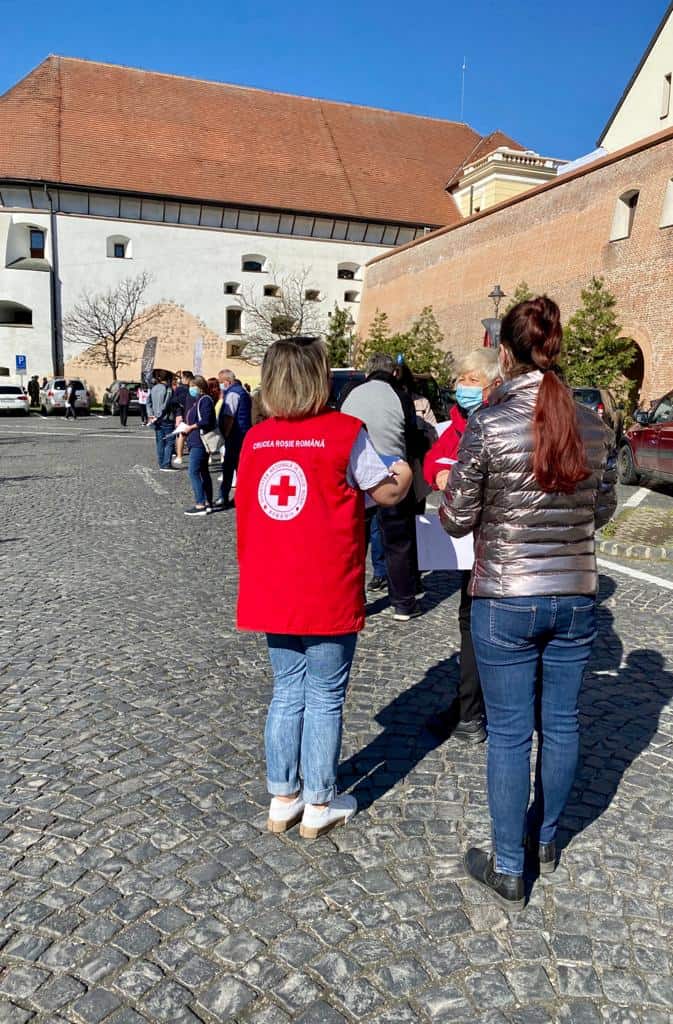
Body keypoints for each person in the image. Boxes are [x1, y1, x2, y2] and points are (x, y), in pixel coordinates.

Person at [440, 297, 617, 910]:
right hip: (574, 592)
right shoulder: (593, 424)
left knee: (512, 733)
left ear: (506, 353)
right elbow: (602, 509)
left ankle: (509, 866)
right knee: (563, 723)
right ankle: (545, 840)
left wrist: (460, 495)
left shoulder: (489, 424)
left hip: (507, 595)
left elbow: (457, 519)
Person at [236, 337, 413, 838]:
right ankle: (318, 801)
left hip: (271, 583)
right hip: (325, 583)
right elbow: (385, 490)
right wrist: (403, 470)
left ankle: (281, 796)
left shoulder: (256, 439)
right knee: (325, 694)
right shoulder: (344, 433)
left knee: (287, 691)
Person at [423, 348, 501, 744]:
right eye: (461, 380)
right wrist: (439, 474)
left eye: (472, 380)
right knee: (470, 621)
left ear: (493, 384)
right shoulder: (455, 424)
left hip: (500, 542)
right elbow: (435, 459)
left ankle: (478, 710)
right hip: (468, 543)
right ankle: (469, 706)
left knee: (491, 626)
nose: (463, 387)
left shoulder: (496, 423)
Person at [341, 353, 425, 621]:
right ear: (394, 373)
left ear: (368, 372)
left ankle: (354, 601)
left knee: (355, 542)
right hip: (392, 473)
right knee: (398, 541)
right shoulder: (399, 395)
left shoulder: (349, 392)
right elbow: (411, 435)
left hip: (354, 473)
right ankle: (403, 603)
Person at [180, 375, 216, 516]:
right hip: (195, 439)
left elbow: (206, 420)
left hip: (200, 442)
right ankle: (208, 502)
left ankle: (200, 504)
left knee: (193, 472)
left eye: (192, 386)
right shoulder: (198, 400)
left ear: (199, 387)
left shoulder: (205, 400)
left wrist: (191, 427)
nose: (190, 389)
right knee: (203, 471)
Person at [216, 369, 252, 508]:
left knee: (229, 468)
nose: (220, 385)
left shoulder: (232, 393)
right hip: (242, 434)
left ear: (226, 381)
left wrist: (225, 434)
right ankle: (241, 497)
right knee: (239, 468)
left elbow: (229, 417)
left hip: (235, 436)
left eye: (221, 382)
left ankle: (224, 497)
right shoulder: (241, 391)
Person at [146, 370, 176, 471]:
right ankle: (166, 463)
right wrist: (158, 415)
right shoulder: (168, 389)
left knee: (160, 442)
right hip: (166, 418)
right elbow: (165, 404)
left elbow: (148, 402)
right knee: (169, 441)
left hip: (155, 419)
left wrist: (151, 415)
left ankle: (161, 462)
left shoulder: (153, 388)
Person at [173, 371, 195, 466]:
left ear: (186, 378)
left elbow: (175, 402)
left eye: (182, 378)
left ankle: (179, 456)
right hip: (189, 414)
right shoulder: (192, 389)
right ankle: (180, 455)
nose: (181, 380)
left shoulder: (181, 389)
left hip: (184, 414)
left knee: (181, 435)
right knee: (185, 435)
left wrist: (178, 414)